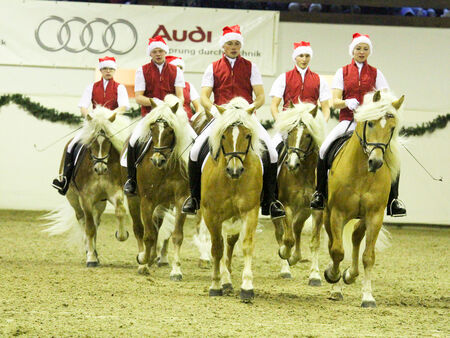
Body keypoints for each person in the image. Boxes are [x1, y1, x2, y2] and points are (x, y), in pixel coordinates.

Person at [181, 24, 285, 219]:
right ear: (223, 46)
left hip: (246, 117)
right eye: (230, 43)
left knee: (271, 152)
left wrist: (250, 110)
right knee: (195, 151)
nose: (234, 47)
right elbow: (204, 96)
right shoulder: (213, 68)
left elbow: (261, 96)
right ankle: (194, 198)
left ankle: (270, 201)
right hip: (222, 117)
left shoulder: (251, 67)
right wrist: (213, 110)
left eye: (237, 43)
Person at [310, 33, 407, 217]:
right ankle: (320, 194)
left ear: (369, 51)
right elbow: (335, 100)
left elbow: (386, 98)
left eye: (365, 49)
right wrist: (347, 102)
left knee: (394, 153)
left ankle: (394, 200)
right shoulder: (343, 72)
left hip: (372, 125)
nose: (361, 52)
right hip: (348, 120)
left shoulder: (377, 73)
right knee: (323, 150)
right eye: (358, 48)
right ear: (352, 51)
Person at [52, 56, 130, 195]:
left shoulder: (120, 87)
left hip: (113, 124)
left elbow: (123, 106)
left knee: (128, 148)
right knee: (72, 145)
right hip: (94, 123)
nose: (108, 71)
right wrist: (89, 116)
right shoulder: (92, 87)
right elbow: (83, 106)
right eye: (105, 68)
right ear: (101, 70)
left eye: (111, 69)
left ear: (114, 70)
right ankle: (65, 179)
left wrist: (109, 115)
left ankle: (131, 180)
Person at [123, 36, 185, 196]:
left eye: (161, 51)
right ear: (150, 54)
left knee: (193, 141)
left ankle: (190, 184)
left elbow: (181, 96)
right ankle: (131, 179)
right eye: (155, 51)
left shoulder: (176, 70)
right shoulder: (142, 70)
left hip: (171, 117)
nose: (158, 54)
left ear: (166, 52)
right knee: (133, 141)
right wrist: (154, 101)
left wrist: (171, 104)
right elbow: (138, 97)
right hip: (150, 116)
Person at [269, 40, 331, 121]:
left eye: (307, 56)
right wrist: (280, 123)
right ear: (295, 57)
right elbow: (274, 105)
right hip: (289, 121)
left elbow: (326, 108)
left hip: (311, 122)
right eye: (301, 56)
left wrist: (322, 124)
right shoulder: (283, 78)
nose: (304, 59)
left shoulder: (320, 80)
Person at [165, 55, 203, 121]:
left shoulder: (188, 86)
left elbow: (198, 107)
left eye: (180, 68)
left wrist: (196, 117)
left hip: (187, 122)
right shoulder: (162, 86)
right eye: (175, 68)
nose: (178, 70)